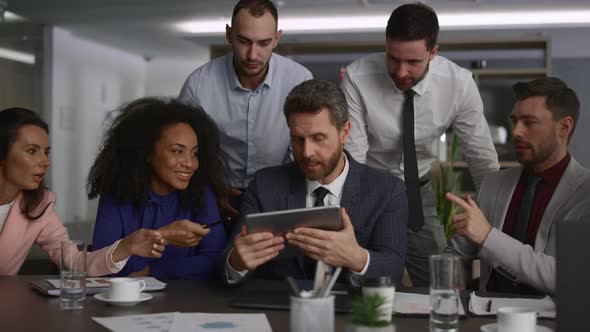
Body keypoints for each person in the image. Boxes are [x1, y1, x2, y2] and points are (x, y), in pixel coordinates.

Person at [341, 3, 499, 286]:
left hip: (418, 192)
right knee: (363, 282)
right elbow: (354, 157)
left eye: (413, 62)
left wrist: (497, 215)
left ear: (433, 52)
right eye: (393, 58)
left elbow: (481, 159)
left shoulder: (458, 84)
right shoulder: (357, 77)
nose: (401, 72)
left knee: (441, 283)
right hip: (369, 187)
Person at [222, 79, 408, 285]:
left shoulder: (388, 190)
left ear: (344, 132)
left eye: (318, 138)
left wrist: (356, 258)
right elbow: (226, 262)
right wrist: (237, 262)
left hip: (352, 310)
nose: (307, 152)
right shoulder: (265, 184)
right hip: (277, 309)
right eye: (298, 139)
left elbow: (394, 269)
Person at [447, 77, 590, 295]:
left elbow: (569, 277)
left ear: (564, 127)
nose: (516, 131)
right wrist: (453, 282)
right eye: (515, 121)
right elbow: (456, 253)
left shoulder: (585, 194)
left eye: (529, 122)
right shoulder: (493, 184)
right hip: (486, 317)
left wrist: (488, 236)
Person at [0, 107, 178, 276]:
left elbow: (74, 261)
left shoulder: (39, 205)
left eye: (46, 152)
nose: (45, 162)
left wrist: (126, 246)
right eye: (32, 151)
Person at [179, 0, 313, 217]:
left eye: (263, 43)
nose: (252, 55)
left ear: (276, 39)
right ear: (229, 34)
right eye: (244, 41)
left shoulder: (300, 79)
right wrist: (209, 187)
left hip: (281, 192)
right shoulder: (198, 84)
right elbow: (182, 150)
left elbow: (303, 146)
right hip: (213, 192)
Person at [88, 98, 227, 280]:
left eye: (195, 153)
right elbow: (102, 266)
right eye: (177, 151)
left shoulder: (202, 192)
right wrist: (164, 236)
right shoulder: (116, 195)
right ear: (146, 153)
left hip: (187, 301)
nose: (190, 164)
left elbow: (216, 261)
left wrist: (151, 270)